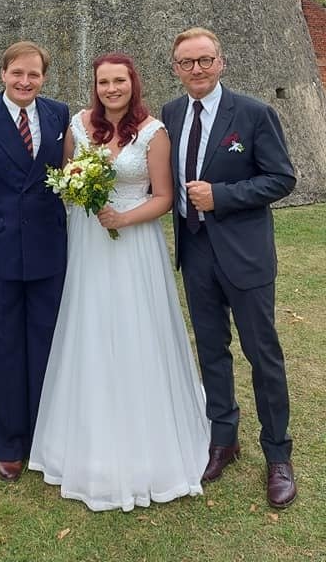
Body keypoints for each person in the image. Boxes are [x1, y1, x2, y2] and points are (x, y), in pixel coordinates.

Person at [29, 53, 210, 511]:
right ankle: (85, 437)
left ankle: (148, 434)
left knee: (136, 327)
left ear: (133, 84)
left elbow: (165, 197)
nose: (112, 89)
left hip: (134, 241)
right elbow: (68, 181)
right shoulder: (78, 125)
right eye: (104, 82)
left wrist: (124, 217)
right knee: (88, 325)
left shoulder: (152, 131)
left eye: (120, 82)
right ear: (95, 85)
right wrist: (81, 191)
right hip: (88, 240)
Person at [161, 27, 297, 509]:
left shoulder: (256, 114)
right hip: (195, 252)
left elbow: (281, 178)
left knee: (263, 354)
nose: (196, 69)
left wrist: (222, 197)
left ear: (221, 62)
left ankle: (278, 454)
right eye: (186, 62)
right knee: (212, 351)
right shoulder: (171, 114)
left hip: (245, 255)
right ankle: (224, 440)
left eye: (204, 60)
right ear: (175, 68)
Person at [0, 41, 69, 482]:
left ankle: (45, 436)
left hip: (49, 247)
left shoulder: (59, 114)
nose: (25, 81)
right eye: (17, 74)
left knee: (48, 345)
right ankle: (9, 443)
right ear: (3, 73)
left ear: (43, 77)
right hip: (0, 249)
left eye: (34, 74)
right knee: (4, 346)